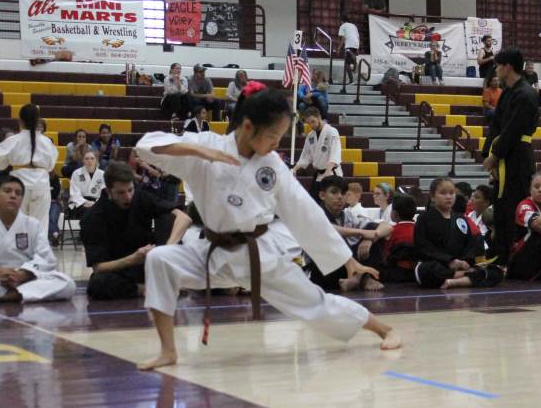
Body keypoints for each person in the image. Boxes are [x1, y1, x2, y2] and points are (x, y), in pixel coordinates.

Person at [132, 88, 400, 370]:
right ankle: (168, 351)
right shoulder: (207, 146)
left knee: (314, 303)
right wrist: (198, 151)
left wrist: (348, 261)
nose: (276, 144)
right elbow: (146, 145)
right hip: (212, 251)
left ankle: (385, 330)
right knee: (159, 260)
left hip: (258, 256)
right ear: (248, 126)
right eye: (273, 136)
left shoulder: (272, 167)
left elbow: (305, 214)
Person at [81, 162, 192, 301]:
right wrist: (133, 259)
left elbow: (184, 218)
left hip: (147, 264)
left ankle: (163, 279)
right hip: (120, 271)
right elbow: (98, 268)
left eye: (130, 190)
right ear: (109, 191)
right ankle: (145, 289)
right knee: (98, 284)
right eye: (121, 193)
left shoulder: (140, 196)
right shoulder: (92, 218)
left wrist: (167, 249)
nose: (128, 197)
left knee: (168, 218)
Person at [0, 175, 76, 303]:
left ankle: (9, 295)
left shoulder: (33, 224)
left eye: (18, 193)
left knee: (67, 283)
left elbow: (46, 258)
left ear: (21, 200)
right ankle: (15, 294)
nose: (13, 195)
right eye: (7, 191)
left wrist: (24, 273)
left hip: (25, 280)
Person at [482, 47, 540, 262]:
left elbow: (514, 129)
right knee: (501, 205)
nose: (495, 69)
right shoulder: (507, 92)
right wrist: (487, 153)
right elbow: (496, 126)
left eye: (498, 65)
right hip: (505, 156)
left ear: (508, 67)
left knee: (514, 203)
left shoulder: (526, 93)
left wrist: (495, 155)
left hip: (518, 157)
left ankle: (516, 253)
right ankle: (501, 251)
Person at [409, 178, 499, 290]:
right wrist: (449, 260)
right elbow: (423, 247)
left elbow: (472, 244)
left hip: (459, 266)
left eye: (452, 193)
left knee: (496, 271)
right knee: (425, 270)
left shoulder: (461, 219)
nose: (448, 197)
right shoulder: (424, 219)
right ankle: (464, 278)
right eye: (443, 193)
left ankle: (454, 281)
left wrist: (465, 261)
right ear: (432, 196)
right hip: (438, 264)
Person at [308, 176, 385, 292]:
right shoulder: (314, 213)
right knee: (337, 239)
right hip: (322, 270)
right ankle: (361, 278)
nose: (340, 197)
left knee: (375, 240)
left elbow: (386, 226)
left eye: (343, 193)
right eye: (334, 192)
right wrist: (362, 232)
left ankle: (357, 278)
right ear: (322, 195)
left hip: (346, 268)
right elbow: (327, 229)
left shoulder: (348, 215)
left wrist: (370, 238)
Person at [0, 103, 57, 225]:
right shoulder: (47, 142)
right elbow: (51, 166)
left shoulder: (13, 140)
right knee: (40, 226)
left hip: (19, 183)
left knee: (18, 224)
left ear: (20, 121)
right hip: (41, 184)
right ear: (37, 121)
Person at [291, 107, 343, 193]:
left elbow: (335, 152)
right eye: (308, 123)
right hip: (319, 175)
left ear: (319, 117)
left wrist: (328, 171)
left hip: (331, 173)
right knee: (314, 199)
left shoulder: (332, 132)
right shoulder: (310, 136)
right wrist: (294, 169)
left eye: (313, 121)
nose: (311, 125)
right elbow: (306, 155)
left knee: (330, 200)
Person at [379, 194, 419, 284]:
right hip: (415, 274)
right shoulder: (420, 230)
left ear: (394, 213)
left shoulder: (390, 231)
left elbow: (385, 254)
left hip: (395, 274)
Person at [67, 150, 106, 221]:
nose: (89, 161)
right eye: (86, 159)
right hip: (80, 203)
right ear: (83, 161)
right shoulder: (77, 173)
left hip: (97, 202)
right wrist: (85, 202)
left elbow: (104, 193)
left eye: (92, 158)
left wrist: (95, 203)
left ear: (96, 160)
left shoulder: (102, 174)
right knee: (88, 211)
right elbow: (74, 193)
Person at [338, 20, 360, 86]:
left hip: (349, 45)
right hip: (356, 44)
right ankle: (354, 62)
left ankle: (351, 80)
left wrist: (339, 47)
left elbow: (343, 38)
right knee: (350, 59)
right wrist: (357, 48)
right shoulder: (354, 26)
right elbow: (358, 37)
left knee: (346, 64)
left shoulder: (343, 26)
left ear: (342, 21)